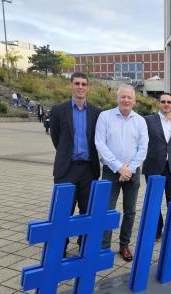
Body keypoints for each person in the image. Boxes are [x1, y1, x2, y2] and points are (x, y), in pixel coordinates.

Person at [50, 72, 102, 256]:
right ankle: (60, 247)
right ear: (71, 85)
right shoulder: (58, 110)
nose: (80, 87)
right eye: (77, 83)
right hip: (66, 169)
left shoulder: (97, 113)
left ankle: (84, 243)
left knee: (87, 210)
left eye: (84, 84)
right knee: (63, 211)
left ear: (88, 87)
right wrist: (66, 155)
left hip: (89, 169)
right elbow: (56, 138)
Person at [95, 84, 148, 262]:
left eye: (129, 97)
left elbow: (143, 148)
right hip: (111, 172)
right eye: (123, 96)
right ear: (118, 98)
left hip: (132, 172)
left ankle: (124, 245)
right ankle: (103, 247)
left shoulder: (140, 121)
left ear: (134, 100)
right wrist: (119, 167)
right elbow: (100, 143)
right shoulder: (105, 117)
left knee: (130, 211)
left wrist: (129, 169)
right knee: (107, 210)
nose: (126, 100)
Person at [142, 92, 171, 245]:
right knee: (154, 201)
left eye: (169, 101)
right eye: (163, 101)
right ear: (159, 104)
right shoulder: (148, 121)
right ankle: (157, 228)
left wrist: (170, 157)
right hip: (153, 168)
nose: (166, 104)